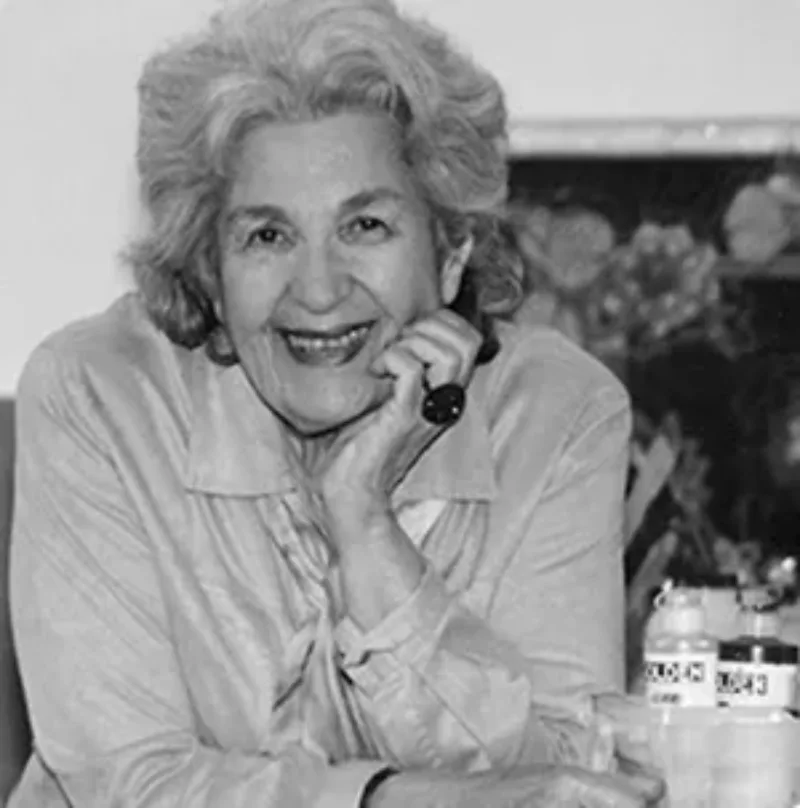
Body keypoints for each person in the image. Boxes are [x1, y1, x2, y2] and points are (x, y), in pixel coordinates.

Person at [8, 0, 663, 805]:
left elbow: (564, 778)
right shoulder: (97, 396)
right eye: (267, 237)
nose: (317, 291)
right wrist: (391, 798)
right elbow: (127, 782)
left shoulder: (558, 415)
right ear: (210, 271)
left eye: (366, 226)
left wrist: (364, 520)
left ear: (452, 252)